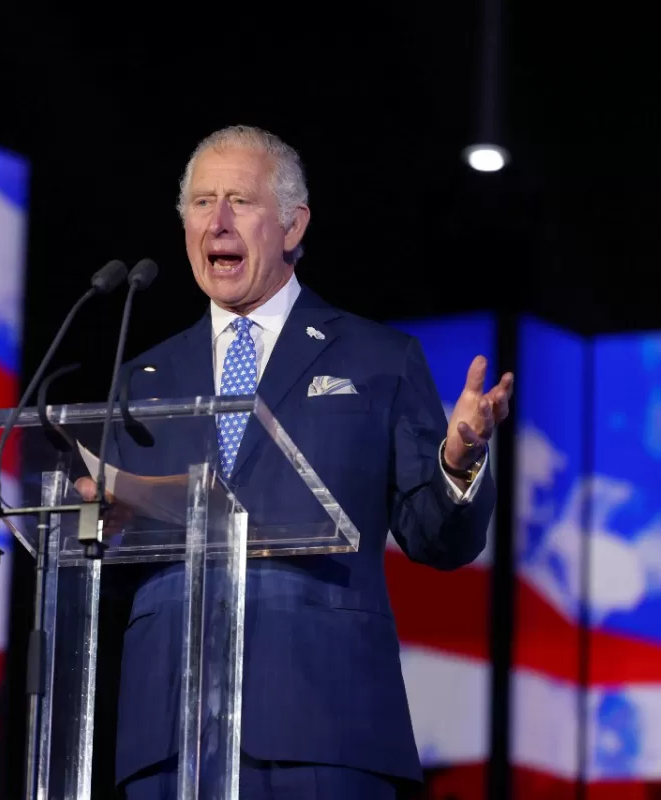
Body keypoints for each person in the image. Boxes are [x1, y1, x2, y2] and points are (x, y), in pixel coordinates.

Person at [80, 126, 514, 798]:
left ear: (292, 223)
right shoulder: (143, 379)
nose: (216, 222)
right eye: (200, 204)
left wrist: (459, 462)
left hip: (326, 729)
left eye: (239, 202)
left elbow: (436, 538)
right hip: (169, 735)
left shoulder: (377, 359)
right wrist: (90, 527)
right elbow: (105, 574)